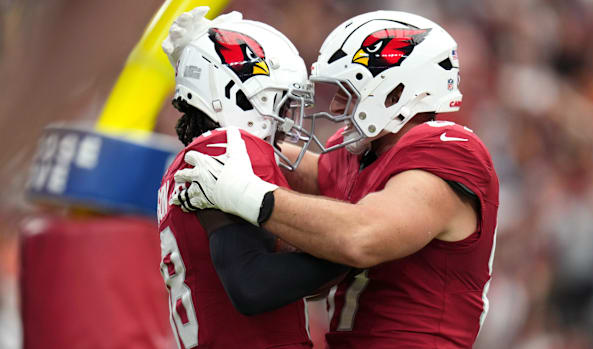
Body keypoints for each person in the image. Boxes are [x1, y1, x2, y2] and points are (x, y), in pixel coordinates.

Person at [173, 10, 499, 348]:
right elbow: (275, 157)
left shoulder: (448, 148)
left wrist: (247, 195)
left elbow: (363, 236)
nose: (338, 105)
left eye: (350, 91)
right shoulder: (355, 157)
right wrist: (208, 83)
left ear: (395, 92)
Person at [157, 7, 349, 349]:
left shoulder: (190, 160)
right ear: (239, 94)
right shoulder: (229, 146)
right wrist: (355, 248)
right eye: (283, 104)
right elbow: (253, 287)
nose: (289, 119)